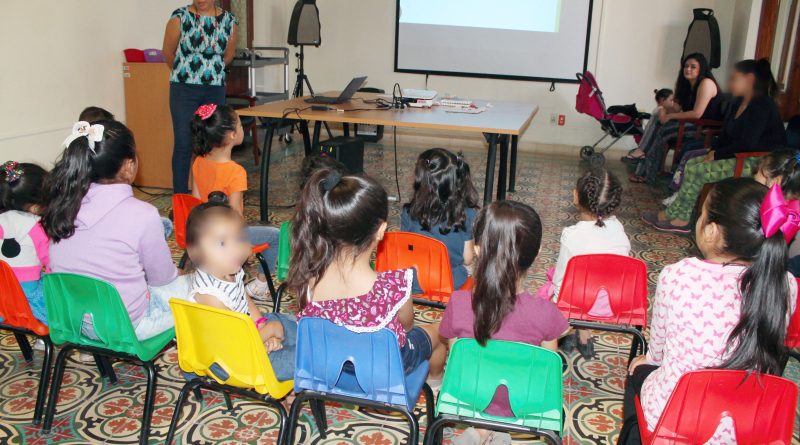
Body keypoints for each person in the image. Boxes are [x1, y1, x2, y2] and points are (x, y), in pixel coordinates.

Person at [618, 178, 797, 444]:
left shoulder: (679, 276)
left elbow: (657, 355)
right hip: (749, 424)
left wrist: (645, 362)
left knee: (637, 372)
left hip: (679, 418)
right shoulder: (785, 284)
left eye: (701, 213)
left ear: (712, 231)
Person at [286, 168, 447, 382]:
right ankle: (434, 381)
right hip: (385, 369)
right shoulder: (395, 286)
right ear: (381, 230)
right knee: (439, 331)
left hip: (333, 365)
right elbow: (406, 328)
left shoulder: (308, 279)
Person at [42, 120, 190, 340]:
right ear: (128, 166)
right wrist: (180, 275)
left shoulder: (62, 207)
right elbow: (161, 279)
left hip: (75, 323)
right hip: (128, 327)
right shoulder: (142, 214)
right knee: (203, 287)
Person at [439, 200, 569, 445]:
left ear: (478, 249)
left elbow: (457, 360)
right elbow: (544, 374)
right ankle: (495, 429)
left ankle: (482, 428)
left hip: (468, 396)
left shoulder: (458, 303)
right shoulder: (547, 313)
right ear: (537, 252)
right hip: (525, 403)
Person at [643, 59, 788, 233]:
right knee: (691, 164)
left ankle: (681, 220)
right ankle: (672, 214)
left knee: (699, 171)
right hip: (738, 154)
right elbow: (726, 134)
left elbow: (748, 143)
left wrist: (718, 154)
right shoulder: (738, 102)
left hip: (760, 162)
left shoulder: (762, 105)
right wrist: (713, 151)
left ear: (749, 79)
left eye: (735, 78)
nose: (730, 83)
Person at [185, 195, 295, 381]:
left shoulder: (229, 271)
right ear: (195, 251)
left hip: (247, 335)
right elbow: (236, 346)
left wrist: (262, 325)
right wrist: (269, 332)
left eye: (240, 239)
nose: (236, 249)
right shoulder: (209, 296)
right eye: (222, 243)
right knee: (301, 359)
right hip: (230, 362)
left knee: (293, 325)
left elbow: (245, 299)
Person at [538, 168, 630, 359]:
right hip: (614, 304)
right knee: (590, 282)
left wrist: (556, 312)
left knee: (553, 285)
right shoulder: (620, 231)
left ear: (576, 196)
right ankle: (584, 337)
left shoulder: (572, 236)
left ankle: (558, 338)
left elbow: (560, 284)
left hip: (577, 302)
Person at [190, 103, 279, 298]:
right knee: (275, 236)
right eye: (239, 125)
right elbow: (236, 216)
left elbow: (195, 203)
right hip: (226, 236)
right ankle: (261, 284)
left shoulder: (198, 162)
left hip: (202, 231)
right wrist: (244, 246)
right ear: (231, 135)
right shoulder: (235, 172)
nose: (242, 128)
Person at [162, 0, 238, 193]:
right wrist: (186, 73)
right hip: (183, 90)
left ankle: (213, 195)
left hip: (214, 89)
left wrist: (211, 70)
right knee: (184, 143)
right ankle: (180, 197)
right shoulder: (180, 17)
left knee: (214, 142)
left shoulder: (229, 21)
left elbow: (228, 56)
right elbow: (168, 52)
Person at [630, 53, 723, 184]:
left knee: (664, 130)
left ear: (701, 69)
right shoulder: (685, 85)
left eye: (693, 67)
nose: (688, 69)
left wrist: (670, 116)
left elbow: (697, 114)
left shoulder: (706, 83)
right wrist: (662, 108)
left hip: (704, 129)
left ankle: (647, 172)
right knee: (657, 119)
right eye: (686, 66)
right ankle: (642, 155)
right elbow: (676, 109)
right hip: (692, 125)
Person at [401, 148, 480, 292]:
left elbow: (405, 250)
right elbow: (468, 258)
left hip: (415, 282)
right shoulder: (466, 214)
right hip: (450, 282)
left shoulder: (408, 211)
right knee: (470, 270)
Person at [0, 161, 49, 324]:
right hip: (27, 296)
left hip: (2, 295)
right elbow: (51, 263)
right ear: (35, 207)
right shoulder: (36, 226)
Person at [753, 149, 800, 276]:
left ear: (775, 181)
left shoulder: (767, 212)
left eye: (757, 174)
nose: (754, 177)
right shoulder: (794, 212)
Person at [624, 89, 678, 162]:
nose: (672, 102)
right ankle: (641, 150)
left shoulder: (663, 108)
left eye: (673, 100)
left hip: (679, 129)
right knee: (655, 119)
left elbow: (665, 118)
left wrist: (663, 109)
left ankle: (641, 150)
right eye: (671, 100)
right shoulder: (662, 108)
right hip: (673, 128)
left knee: (656, 121)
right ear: (662, 100)